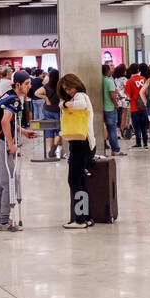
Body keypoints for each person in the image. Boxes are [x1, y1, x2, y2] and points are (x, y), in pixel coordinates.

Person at [0, 70, 31, 232]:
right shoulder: (14, 100)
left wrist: (23, 132)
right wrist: (12, 144)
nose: (29, 86)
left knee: (0, 183)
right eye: (26, 84)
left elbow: (9, 122)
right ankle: (5, 221)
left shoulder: (8, 96)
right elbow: (5, 121)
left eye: (29, 83)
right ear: (18, 85)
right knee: (10, 181)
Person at [59, 73, 96, 229]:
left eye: (70, 88)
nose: (69, 92)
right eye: (66, 90)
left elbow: (79, 105)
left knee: (74, 181)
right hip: (86, 143)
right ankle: (86, 217)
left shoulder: (80, 96)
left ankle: (79, 220)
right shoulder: (81, 96)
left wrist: (65, 105)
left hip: (80, 143)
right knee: (80, 181)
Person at [125, 64, 149, 151]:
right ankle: (145, 143)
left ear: (130, 71)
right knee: (144, 126)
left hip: (134, 107)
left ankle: (138, 143)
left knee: (137, 126)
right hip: (143, 106)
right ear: (138, 70)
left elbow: (128, 94)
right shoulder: (143, 79)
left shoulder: (129, 81)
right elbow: (146, 92)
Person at [101, 64, 123, 156]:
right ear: (107, 71)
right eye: (110, 69)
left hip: (102, 108)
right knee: (112, 130)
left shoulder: (100, 80)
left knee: (106, 129)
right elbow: (111, 95)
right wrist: (116, 104)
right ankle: (115, 150)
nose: (111, 71)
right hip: (110, 108)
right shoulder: (109, 81)